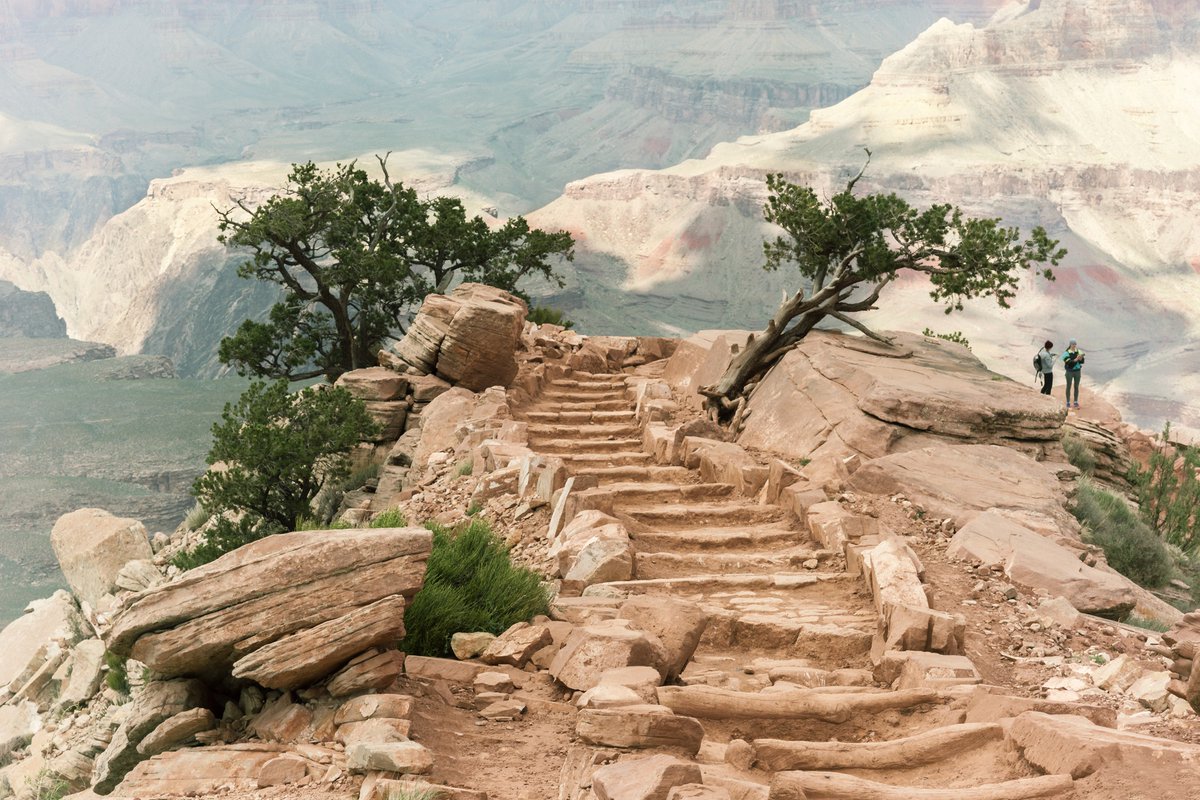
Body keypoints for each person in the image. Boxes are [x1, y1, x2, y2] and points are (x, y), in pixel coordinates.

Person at [1062, 338, 1085, 409]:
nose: (1074, 345)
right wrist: (1076, 359)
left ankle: (1075, 401)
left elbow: (1082, 362)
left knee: (1076, 386)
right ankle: (1068, 402)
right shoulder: (1066, 353)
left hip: (1077, 371)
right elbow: (1069, 363)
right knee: (1068, 386)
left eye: (1075, 344)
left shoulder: (1079, 351)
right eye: (1073, 344)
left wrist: (1081, 359)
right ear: (1070, 344)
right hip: (1069, 372)